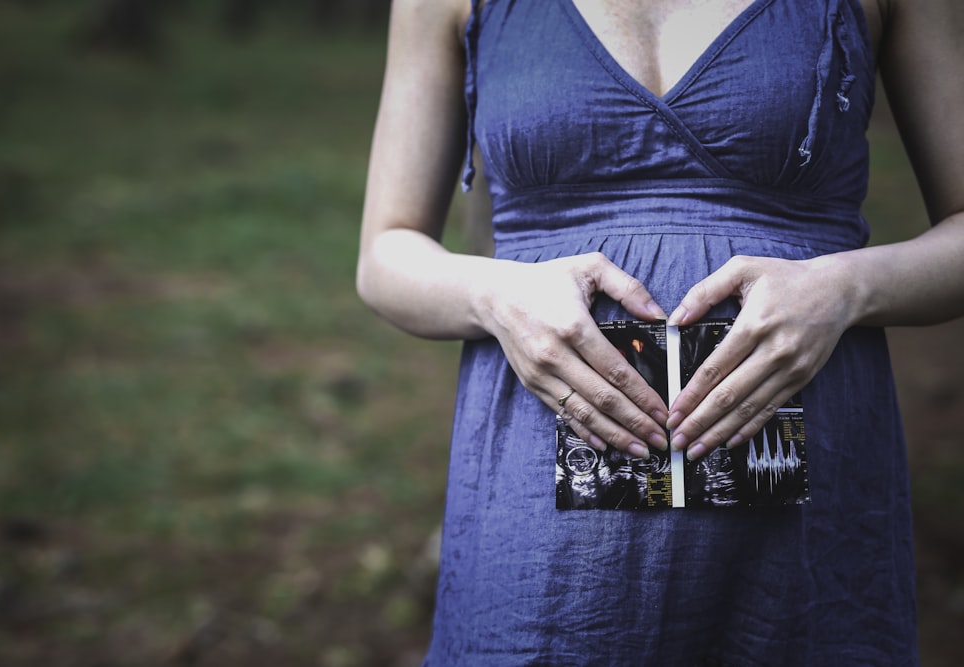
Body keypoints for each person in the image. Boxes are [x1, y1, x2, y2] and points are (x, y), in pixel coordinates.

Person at [357, 0, 964, 663]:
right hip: (539, 528)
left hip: (805, 512)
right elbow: (385, 253)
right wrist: (495, 294)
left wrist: (848, 287)